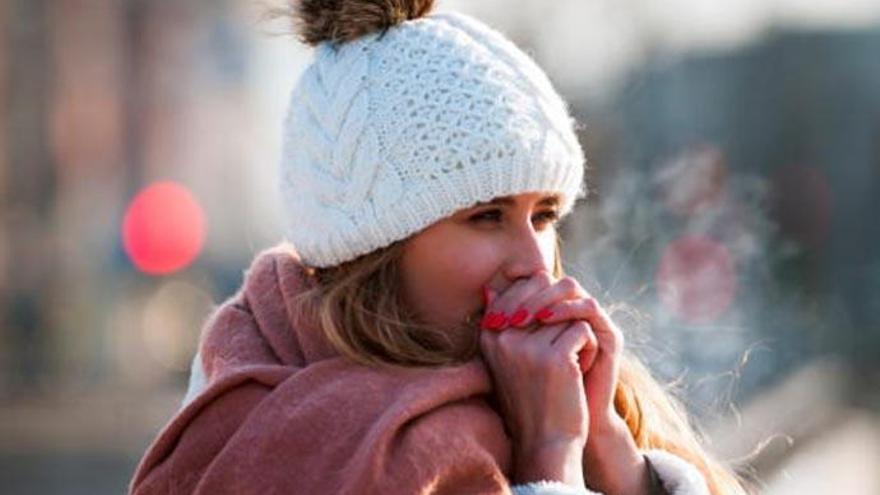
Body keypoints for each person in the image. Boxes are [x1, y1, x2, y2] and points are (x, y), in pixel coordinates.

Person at [129, 1, 753, 494]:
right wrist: (548, 461)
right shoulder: (275, 438)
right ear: (372, 251)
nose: (534, 261)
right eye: (486, 216)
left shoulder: (574, 404)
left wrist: (616, 459)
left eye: (543, 216)